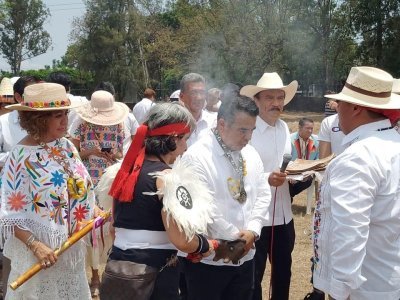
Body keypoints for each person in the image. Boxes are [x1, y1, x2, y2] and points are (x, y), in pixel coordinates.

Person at [100, 103, 218, 300]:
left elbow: (114, 229)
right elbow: (182, 240)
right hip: (154, 277)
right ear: (173, 138)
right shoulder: (167, 178)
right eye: (185, 139)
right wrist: (204, 245)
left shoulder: (121, 172)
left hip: (120, 271)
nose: (186, 147)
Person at [0, 82, 98, 299]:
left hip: (70, 250)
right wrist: (35, 246)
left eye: (65, 113)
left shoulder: (66, 146)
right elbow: (9, 212)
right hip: (39, 255)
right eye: (57, 115)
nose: (65, 120)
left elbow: (77, 185)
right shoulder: (20, 157)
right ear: (38, 119)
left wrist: (93, 209)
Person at [312, 66, 400, 300]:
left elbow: (350, 231)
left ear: (355, 108)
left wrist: (341, 291)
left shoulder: (358, 157)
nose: (337, 109)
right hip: (386, 275)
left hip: (364, 289)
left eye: (341, 103)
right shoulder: (393, 142)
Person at [180, 95, 271, 300]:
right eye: (243, 130)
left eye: (252, 130)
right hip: (209, 262)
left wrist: (253, 231)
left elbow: (263, 193)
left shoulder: (251, 153)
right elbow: (204, 209)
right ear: (222, 124)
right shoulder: (197, 157)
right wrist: (236, 238)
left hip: (246, 257)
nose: (248, 137)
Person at [240, 72, 298, 300]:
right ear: (256, 100)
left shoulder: (284, 128)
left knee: (283, 274)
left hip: (284, 215)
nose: (276, 103)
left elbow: (286, 163)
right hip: (257, 218)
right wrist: (266, 178)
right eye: (270, 98)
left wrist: (299, 170)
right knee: (254, 276)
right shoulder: (248, 131)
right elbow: (239, 172)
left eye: (280, 97)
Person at [69, 90, 130, 296]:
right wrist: (92, 152)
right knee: (93, 229)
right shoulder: (80, 124)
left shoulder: (119, 125)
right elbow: (73, 154)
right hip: (89, 181)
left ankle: (109, 273)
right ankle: (95, 275)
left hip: (111, 181)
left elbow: (122, 152)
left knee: (112, 227)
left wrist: (114, 155)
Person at [179, 73, 216, 146]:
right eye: (193, 92)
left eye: (202, 92)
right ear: (181, 96)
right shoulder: (172, 125)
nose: (199, 98)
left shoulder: (214, 122)